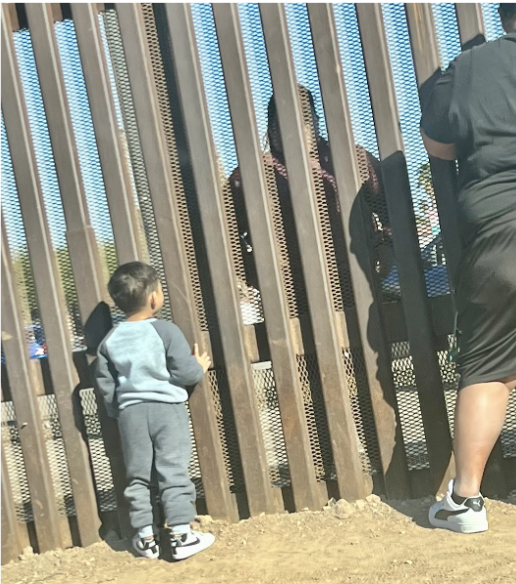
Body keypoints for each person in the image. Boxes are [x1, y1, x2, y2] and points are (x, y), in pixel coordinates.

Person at [420, 3, 516, 533]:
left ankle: (465, 503)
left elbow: (438, 142)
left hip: (499, 231)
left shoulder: (469, 66)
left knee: (488, 368)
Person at [228, 85, 394, 317]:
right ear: (272, 129)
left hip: (353, 281)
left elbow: (392, 202)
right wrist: (255, 273)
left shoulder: (348, 159)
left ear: (316, 121)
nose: (296, 128)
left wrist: (386, 246)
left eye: (304, 119)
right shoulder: (254, 174)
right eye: (285, 121)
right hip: (289, 295)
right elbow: (224, 234)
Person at [95, 262, 215, 560]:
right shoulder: (165, 330)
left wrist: (117, 412)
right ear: (154, 299)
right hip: (166, 410)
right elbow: (186, 373)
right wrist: (198, 367)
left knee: (137, 476)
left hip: (130, 415)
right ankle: (180, 535)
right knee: (172, 469)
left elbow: (106, 385)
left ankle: (146, 538)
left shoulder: (110, 341)